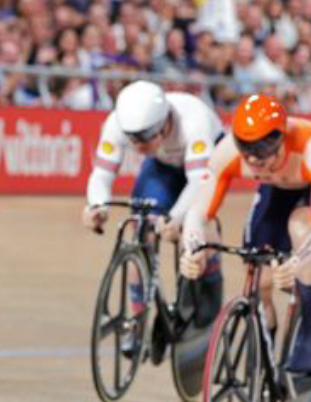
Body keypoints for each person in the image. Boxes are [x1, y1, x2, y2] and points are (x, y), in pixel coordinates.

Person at [181, 94, 311, 382]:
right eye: (247, 153)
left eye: (263, 154)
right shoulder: (227, 152)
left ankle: (309, 325)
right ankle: (264, 344)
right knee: (258, 273)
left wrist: (299, 262)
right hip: (278, 186)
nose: (254, 162)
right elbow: (198, 211)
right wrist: (192, 249)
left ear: (282, 140)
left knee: (300, 225)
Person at [83, 80, 225, 353]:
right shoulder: (117, 123)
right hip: (163, 165)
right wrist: (96, 206)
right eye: (133, 139)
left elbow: (198, 184)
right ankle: (137, 318)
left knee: (197, 221)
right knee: (140, 227)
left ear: (164, 124)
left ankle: (210, 279)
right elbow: (101, 174)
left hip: (206, 162)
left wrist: (175, 218)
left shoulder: (193, 121)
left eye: (144, 139)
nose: (137, 146)